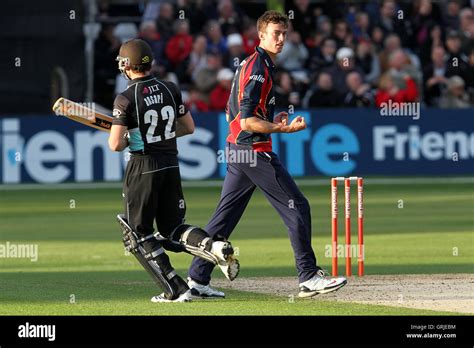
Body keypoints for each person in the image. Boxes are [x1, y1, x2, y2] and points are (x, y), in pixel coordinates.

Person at [187, 11, 347, 299]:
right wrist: (281, 129)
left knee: (223, 219)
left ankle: (197, 280)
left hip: (237, 150)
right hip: (252, 150)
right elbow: (247, 121)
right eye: (276, 33)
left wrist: (272, 120)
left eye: (284, 33)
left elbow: (231, 111)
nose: (282, 39)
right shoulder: (258, 68)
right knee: (297, 205)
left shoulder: (253, 64)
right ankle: (308, 276)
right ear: (261, 35)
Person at [109, 39, 239, 303]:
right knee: (172, 227)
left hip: (142, 167)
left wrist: (135, 139)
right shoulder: (170, 88)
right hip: (170, 163)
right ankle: (212, 245)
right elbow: (188, 127)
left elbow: (115, 144)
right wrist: (156, 138)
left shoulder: (125, 98)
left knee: (138, 232)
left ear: (126, 65)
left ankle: (176, 289)